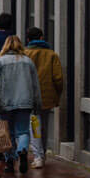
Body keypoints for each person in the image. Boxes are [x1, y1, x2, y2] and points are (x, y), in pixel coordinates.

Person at [0, 34, 41, 174]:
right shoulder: (28, 62)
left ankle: (9, 160)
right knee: (23, 131)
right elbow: (35, 85)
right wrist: (37, 103)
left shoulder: (0, 62)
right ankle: (22, 150)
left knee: (4, 132)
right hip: (25, 102)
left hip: (5, 102)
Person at [23, 27, 65, 168]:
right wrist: (57, 93)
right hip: (47, 96)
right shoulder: (51, 55)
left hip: (29, 96)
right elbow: (58, 78)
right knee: (44, 125)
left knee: (34, 124)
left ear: (28, 39)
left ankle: (38, 155)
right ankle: (43, 153)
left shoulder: (24, 54)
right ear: (41, 38)